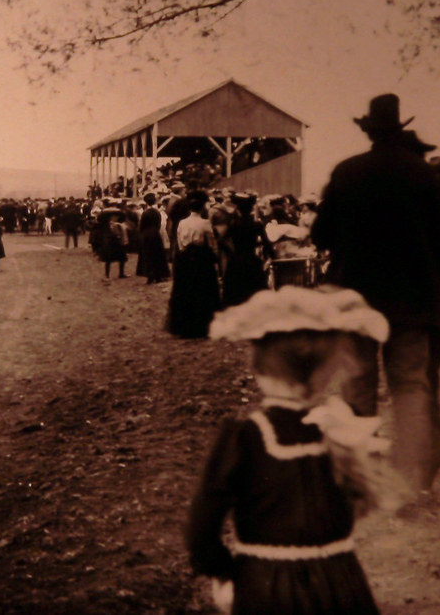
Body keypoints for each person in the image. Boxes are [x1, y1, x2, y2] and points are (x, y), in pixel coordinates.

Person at [188, 286, 396, 615]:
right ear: (325, 367)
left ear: (256, 365)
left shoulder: (245, 438)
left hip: (266, 587)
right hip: (338, 583)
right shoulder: (340, 428)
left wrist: (224, 574)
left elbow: (200, 528)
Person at [311, 93, 440, 491]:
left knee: (357, 382)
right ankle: (409, 477)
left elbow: (320, 235)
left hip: (356, 298)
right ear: (400, 129)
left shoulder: (347, 172)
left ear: (369, 131)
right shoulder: (428, 177)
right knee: (410, 385)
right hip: (413, 300)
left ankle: (359, 475)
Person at [167, 190, 221, 338]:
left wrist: (184, 252)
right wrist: (215, 257)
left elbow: (179, 242)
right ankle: (202, 326)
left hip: (185, 258)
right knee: (203, 291)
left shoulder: (182, 223)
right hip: (201, 257)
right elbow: (212, 243)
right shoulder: (205, 223)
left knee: (186, 290)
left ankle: (185, 326)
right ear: (202, 207)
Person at [137, 193, 170, 284]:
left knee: (147, 255)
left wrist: (142, 234)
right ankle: (158, 275)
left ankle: (149, 276)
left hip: (146, 235)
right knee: (157, 255)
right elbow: (159, 224)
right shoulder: (157, 212)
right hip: (155, 234)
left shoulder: (145, 213)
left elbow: (142, 225)